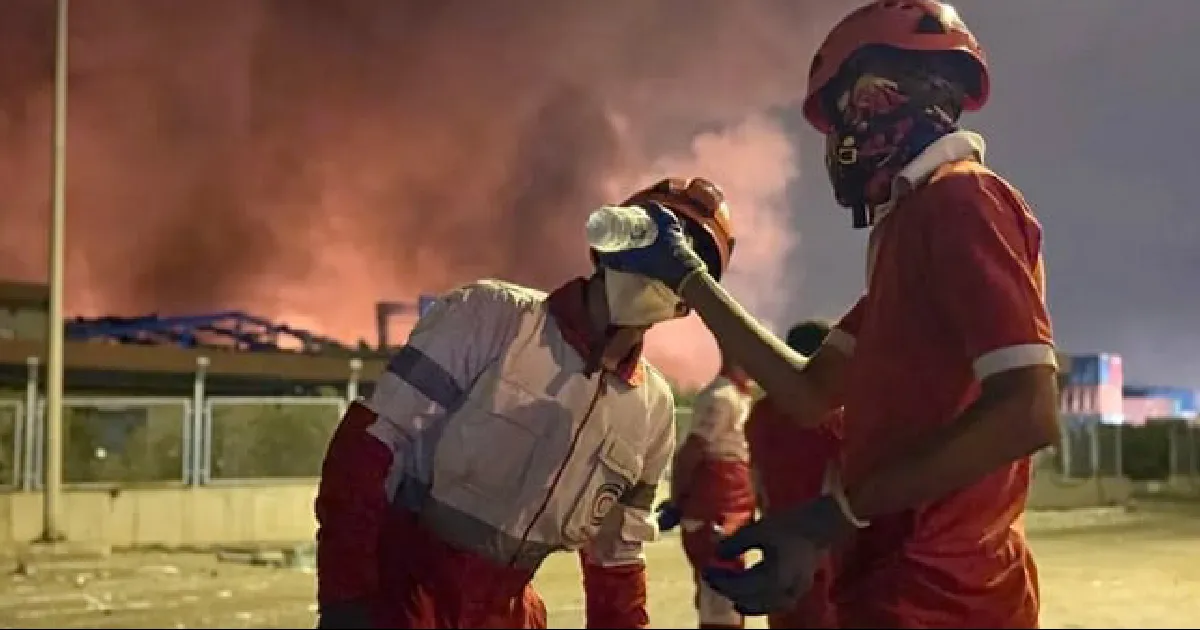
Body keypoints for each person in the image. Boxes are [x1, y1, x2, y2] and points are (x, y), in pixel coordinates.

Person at [592, 2, 1061, 627]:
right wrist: (689, 278)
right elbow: (810, 393)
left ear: (886, 91)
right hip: (897, 583)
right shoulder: (912, 227)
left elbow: (1028, 411)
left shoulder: (960, 199)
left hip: (945, 597)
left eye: (843, 109)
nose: (839, 139)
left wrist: (833, 515)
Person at [312, 176, 737, 630]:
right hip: (399, 598)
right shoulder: (491, 316)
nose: (663, 265)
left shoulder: (653, 409)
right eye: (655, 239)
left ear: (692, 299)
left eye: (687, 259)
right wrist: (347, 601)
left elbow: (617, 559)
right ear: (612, 240)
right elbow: (366, 451)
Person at [744, 320, 841, 629]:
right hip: (823, 542)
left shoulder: (762, 414)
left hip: (778, 534)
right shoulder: (833, 415)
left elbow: (756, 478)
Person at [659, 352, 756, 629]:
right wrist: (678, 502)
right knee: (721, 598)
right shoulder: (721, 397)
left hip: (730, 508)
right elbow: (691, 452)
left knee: (727, 597)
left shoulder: (740, 397)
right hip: (715, 511)